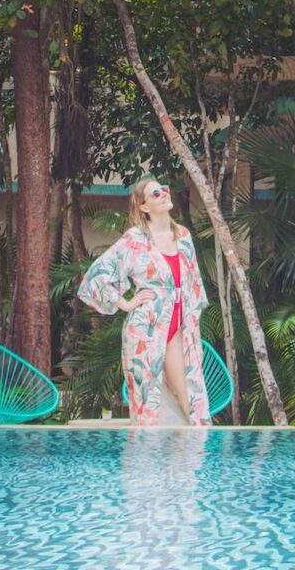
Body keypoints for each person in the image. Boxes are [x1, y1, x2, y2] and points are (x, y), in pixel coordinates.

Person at [77, 176, 211, 426]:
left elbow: (193, 288)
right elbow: (96, 276)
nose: (165, 194)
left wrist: (197, 334)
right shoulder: (134, 240)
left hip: (181, 326)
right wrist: (125, 303)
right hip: (147, 329)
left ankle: (190, 461)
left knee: (191, 396)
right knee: (152, 398)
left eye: (165, 189)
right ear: (144, 207)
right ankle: (157, 462)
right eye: (156, 193)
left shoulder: (182, 235)